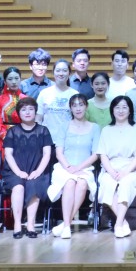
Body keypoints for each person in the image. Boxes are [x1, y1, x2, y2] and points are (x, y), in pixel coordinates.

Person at [48, 93, 100, 239]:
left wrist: (79, 168)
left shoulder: (95, 127)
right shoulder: (64, 126)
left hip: (85, 168)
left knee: (82, 183)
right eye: (74, 105)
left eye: (81, 105)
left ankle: (66, 225)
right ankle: (66, 225)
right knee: (70, 182)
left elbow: (95, 154)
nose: (78, 108)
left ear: (86, 106)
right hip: (64, 167)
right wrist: (69, 167)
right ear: (70, 108)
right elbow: (59, 152)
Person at [95, 95, 136, 238]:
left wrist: (125, 172)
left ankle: (118, 224)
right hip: (110, 168)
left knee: (125, 183)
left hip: (132, 169)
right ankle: (123, 222)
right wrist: (111, 172)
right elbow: (103, 155)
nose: (121, 110)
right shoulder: (106, 130)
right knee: (106, 183)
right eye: (117, 107)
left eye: (124, 107)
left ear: (130, 110)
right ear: (112, 110)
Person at [2, 97, 53, 239]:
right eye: (24, 110)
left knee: (34, 185)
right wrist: (18, 172)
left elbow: (47, 154)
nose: (28, 112)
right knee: (18, 187)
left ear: (36, 111)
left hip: (38, 170)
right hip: (14, 171)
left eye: (31, 109)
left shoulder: (43, 130)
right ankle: (17, 224)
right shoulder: (12, 131)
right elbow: (8, 154)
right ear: (18, 113)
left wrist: (38, 171)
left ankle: (31, 224)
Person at [36, 59, 77, 143]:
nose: (61, 73)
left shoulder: (75, 94)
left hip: (68, 140)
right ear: (53, 73)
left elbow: (78, 120)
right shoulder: (44, 93)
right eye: (58, 70)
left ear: (69, 73)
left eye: (64, 70)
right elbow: (38, 118)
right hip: (46, 140)